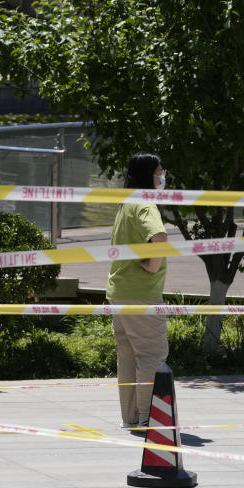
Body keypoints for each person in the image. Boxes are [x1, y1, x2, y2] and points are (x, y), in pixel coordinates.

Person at [107, 152, 169, 429]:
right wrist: (153, 266)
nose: (163, 176)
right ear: (149, 176)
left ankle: (131, 418)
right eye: (160, 171)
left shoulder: (126, 202)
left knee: (128, 357)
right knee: (152, 355)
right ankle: (148, 418)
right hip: (141, 293)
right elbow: (159, 237)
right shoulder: (145, 204)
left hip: (119, 290)